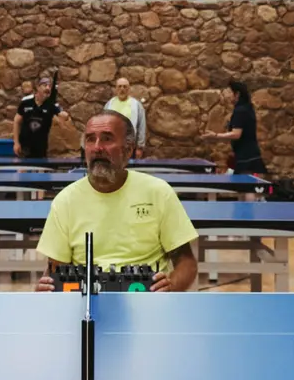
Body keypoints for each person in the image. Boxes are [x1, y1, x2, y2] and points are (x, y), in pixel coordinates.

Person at [35, 111, 198, 291]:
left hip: (147, 302)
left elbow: (186, 262)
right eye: (90, 139)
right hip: (86, 303)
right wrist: (47, 287)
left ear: (128, 150)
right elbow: (55, 270)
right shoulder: (65, 201)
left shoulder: (158, 193)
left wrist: (170, 287)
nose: (97, 147)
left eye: (107, 139)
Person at [201, 81, 266, 175]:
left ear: (237, 94)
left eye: (229, 92)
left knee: (244, 188)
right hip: (250, 156)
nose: (226, 94)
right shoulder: (247, 108)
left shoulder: (240, 111)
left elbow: (236, 134)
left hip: (246, 159)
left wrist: (215, 135)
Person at [16, 70, 62, 160]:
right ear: (38, 87)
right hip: (25, 146)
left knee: (40, 171)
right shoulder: (26, 102)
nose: (48, 88)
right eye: (45, 85)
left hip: (41, 147)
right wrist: (16, 143)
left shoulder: (50, 105)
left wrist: (62, 115)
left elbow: (62, 116)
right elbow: (16, 122)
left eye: (49, 86)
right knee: (23, 171)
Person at [104, 76, 148, 152]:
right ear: (116, 89)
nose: (122, 89)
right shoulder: (109, 104)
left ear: (129, 89)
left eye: (125, 87)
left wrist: (140, 148)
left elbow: (141, 126)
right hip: (111, 147)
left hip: (129, 147)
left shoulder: (136, 105)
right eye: (119, 86)